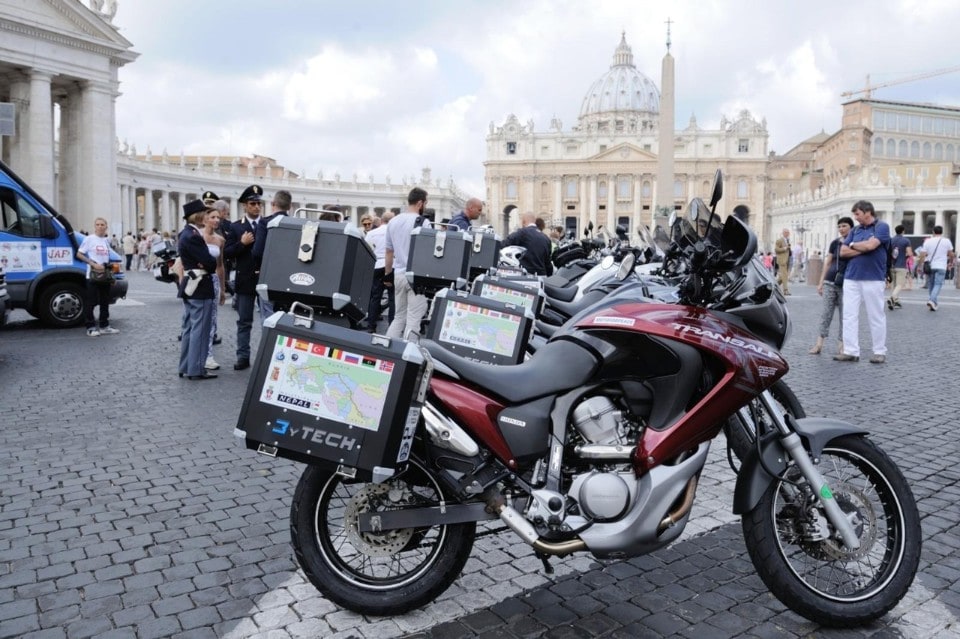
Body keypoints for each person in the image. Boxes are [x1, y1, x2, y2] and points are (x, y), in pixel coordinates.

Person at [835, 200, 890, 364]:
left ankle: (879, 351)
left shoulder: (882, 227)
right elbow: (843, 251)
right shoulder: (855, 230)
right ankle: (851, 351)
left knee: (876, 315)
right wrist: (861, 247)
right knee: (849, 315)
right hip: (851, 277)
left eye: (857, 214)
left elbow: (871, 246)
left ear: (868, 212)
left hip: (873, 278)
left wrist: (854, 245)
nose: (855, 217)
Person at [177, 200, 218, 380]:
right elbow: (210, 263)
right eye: (204, 213)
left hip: (191, 284)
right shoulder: (194, 235)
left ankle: (186, 366)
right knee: (199, 330)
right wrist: (207, 262)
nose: (206, 216)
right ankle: (196, 369)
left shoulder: (185, 233)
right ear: (198, 215)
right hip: (200, 286)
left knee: (188, 327)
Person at [225, 184, 263, 370]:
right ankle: (243, 356)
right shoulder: (235, 227)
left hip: (265, 279)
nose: (256, 206)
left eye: (258, 203)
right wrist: (241, 243)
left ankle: (267, 357)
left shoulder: (268, 225)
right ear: (244, 206)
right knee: (244, 321)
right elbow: (227, 253)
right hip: (245, 279)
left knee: (268, 321)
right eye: (252, 203)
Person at [384, 187, 431, 340]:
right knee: (413, 321)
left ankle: (387, 349)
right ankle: (408, 355)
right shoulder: (424, 223)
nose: (426, 206)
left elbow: (389, 252)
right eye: (426, 203)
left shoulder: (393, 221)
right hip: (416, 277)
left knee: (398, 318)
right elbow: (427, 252)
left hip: (397, 275)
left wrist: (387, 275)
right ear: (420, 203)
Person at [810, 217, 852, 355]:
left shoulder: (855, 243)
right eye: (839, 226)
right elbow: (828, 262)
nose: (841, 228)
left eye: (844, 226)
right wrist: (821, 282)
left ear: (851, 227)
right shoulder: (835, 243)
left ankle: (842, 346)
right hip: (830, 281)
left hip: (846, 284)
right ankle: (818, 344)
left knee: (844, 316)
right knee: (826, 314)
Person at [76, 217, 119, 337]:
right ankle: (90, 327)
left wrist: (112, 277)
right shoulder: (89, 239)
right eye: (97, 224)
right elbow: (79, 254)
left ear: (106, 227)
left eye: (102, 225)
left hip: (105, 276)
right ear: (94, 226)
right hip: (92, 275)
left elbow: (107, 260)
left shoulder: (106, 241)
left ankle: (104, 326)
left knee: (105, 302)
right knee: (91, 302)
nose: (100, 226)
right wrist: (93, 264)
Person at [252, 189, 292, 317]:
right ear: (289, 206)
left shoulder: (264, 222)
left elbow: (257, 252)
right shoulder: (295, 225)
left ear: (272, 203)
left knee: (268, 316)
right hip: (288, 278)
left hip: (268, 276)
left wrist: (258, 268)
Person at [201, 208, 227, 370]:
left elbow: (220, 265)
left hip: (213, 281)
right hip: (198, 280)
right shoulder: (197, 237)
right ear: (204, 219)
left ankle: (208, 355)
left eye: (218, 217)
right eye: (213, 217)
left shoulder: (220, 240)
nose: (217, 220)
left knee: (211, 320)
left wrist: (223, 288)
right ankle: (196, 354)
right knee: (197, 320)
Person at [364, 211, 394, 333]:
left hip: (376, 265)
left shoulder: (371, 233)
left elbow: (367, 249)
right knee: (392, 297)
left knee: (375, 296)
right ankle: (392, 326)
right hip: (391, 265)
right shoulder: (394, 233)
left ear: (381, 221)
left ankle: (371, 325)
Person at [917, 225, 955, 311]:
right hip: (941, 266)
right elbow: (951, 254)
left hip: (930, 266)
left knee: (931, 284)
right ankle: (932, 300)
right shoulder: (946, 241)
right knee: (938, 284)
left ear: (933, 232)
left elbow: (922, 255)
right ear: (942, 232)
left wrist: (920, 266)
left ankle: (934, 303)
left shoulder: (928, 241)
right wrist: (951, 262)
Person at [504, 211, 554, 276]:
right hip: (541, 276)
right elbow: (548, 263)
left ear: (523, 222)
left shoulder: (522, 233)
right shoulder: (546, 238)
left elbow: (505, 244)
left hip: (525, 276)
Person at [887, 225, 913, 310]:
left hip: (891, 265)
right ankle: (892, 297)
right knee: (900, 284)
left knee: (893, 285)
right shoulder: (906, 240)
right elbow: (909, 253)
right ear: (903, 231)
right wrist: (905, 257)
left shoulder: (890, 240)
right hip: (901, 265)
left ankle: (895, 301)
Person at [774, 228, 791, 295]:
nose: (788, 234)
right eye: (787, 232)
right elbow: (776, 249)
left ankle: (774, 286)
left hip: (787, 260)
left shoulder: (787, 240)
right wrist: (784, 248)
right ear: (784, 233)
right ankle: (785, 290)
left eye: (788, 232)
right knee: (784, 275)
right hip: (781, 260)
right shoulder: (779, 240)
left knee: (783, 276)